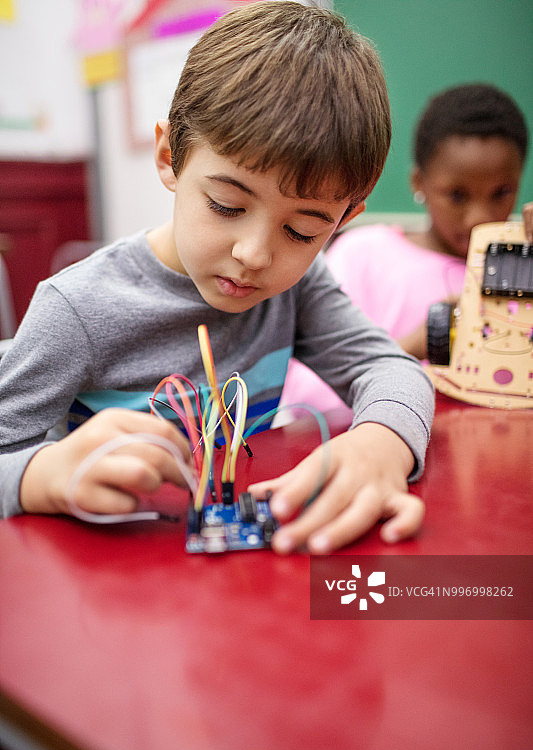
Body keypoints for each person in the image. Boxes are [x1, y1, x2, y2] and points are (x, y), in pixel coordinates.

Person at [0, 1, 434, 554]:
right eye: (227, 205)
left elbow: (390, 369)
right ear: (169, 157)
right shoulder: (76, 309)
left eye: (301, 232)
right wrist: (41, 475)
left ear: (344, 219)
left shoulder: (298, 289)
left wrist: (382, 443)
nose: (254, 255)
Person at [281, 82, 530, 411]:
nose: (478, 217)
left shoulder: (525, 267)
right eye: (457, 195)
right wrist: (414, 346)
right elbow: (305, 400)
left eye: (502, 192)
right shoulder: (364, 253)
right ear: (418, 183)